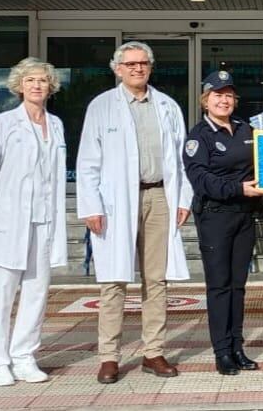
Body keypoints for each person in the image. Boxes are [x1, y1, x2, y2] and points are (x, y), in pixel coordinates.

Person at [76, 41, 193, 384]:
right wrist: (91, 205)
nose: (137, 69)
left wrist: (183, 199)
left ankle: (153, 352)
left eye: (143, 63)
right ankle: (109, 356)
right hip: (115, 202)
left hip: (159, 197)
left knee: (156, 280)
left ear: (150, 67)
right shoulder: (101, 106)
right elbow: (87, 161)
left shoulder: (167, 106)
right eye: (130, 64)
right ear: (117, 69)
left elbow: (180, 159)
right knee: (113, 279)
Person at [0, 57, 69, 387]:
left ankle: (24, 355)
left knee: (37, 291)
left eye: (43, 80)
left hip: (43, 220)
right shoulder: (4, 122)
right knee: (2, 294)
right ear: (18, 85)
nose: (36, 85)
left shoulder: (56, 124)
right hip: (10, 218)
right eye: (30, 80)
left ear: (50, 86)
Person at [182, 71, 263, 376]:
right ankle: (222, 351)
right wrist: (237, 189)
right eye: (218, 95)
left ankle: (237, 347)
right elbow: (201, 179)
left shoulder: (247, 129)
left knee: (238, 286)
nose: (224, 100)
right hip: (216, 216)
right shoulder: (198, 136)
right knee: (219, 286)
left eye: (229, 95)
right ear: (206, 100)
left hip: (245, 215)